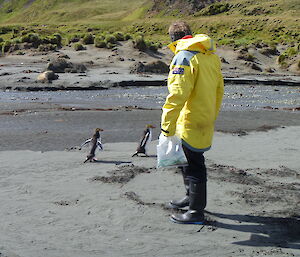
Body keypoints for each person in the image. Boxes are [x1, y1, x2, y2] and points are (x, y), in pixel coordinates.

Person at [160, 21, 224, 224]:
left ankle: (196, 212)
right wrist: (212, 114)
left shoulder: (184, 57)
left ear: (173, 39)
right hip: (204, 116)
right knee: (185, 161)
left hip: (189, 119)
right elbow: (219, 90)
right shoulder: (210, 56)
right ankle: (190, 196)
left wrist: (166, 124)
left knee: (195, 165)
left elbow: (177, 95)